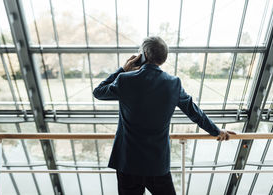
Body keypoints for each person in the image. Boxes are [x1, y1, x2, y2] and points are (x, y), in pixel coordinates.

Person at [93, 36, 236, 195]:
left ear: (144, 54)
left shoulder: (124, 80)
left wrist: (123, 69)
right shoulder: (173, 83)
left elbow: (98, 92)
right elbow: (193, 111)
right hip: (157, 164)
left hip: (128, 163)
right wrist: (216, 131)